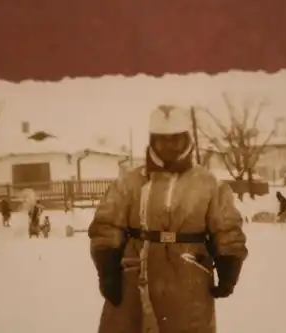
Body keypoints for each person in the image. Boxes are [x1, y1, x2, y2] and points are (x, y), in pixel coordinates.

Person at [88, 105, 248, 333]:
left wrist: (229, 266)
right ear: (152, 141)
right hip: (135, 277)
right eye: (162, 140)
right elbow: (107, 224)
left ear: (187, 140)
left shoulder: (208, 184)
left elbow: (227, 228)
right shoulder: (130, 182)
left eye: (175, 139)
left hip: (188, 278)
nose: (169, 146)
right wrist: (107, 269)